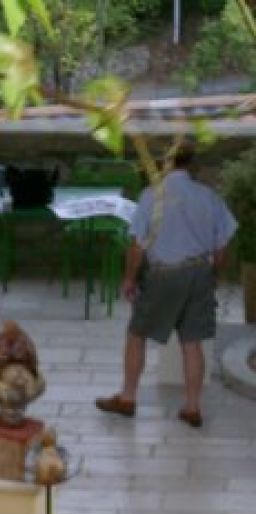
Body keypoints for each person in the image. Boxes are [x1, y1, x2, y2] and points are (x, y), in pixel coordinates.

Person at [95, 140, 237, 429]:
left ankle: (127, 397)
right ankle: (193, 406)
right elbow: (222, 249)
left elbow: (137, 246)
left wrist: (129, 278)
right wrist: (212, 276)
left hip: (164, 273)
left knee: (137, 334)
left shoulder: (152, 196)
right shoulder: (209, 196)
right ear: (190, 163)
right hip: (199, 271)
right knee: (192, 341)